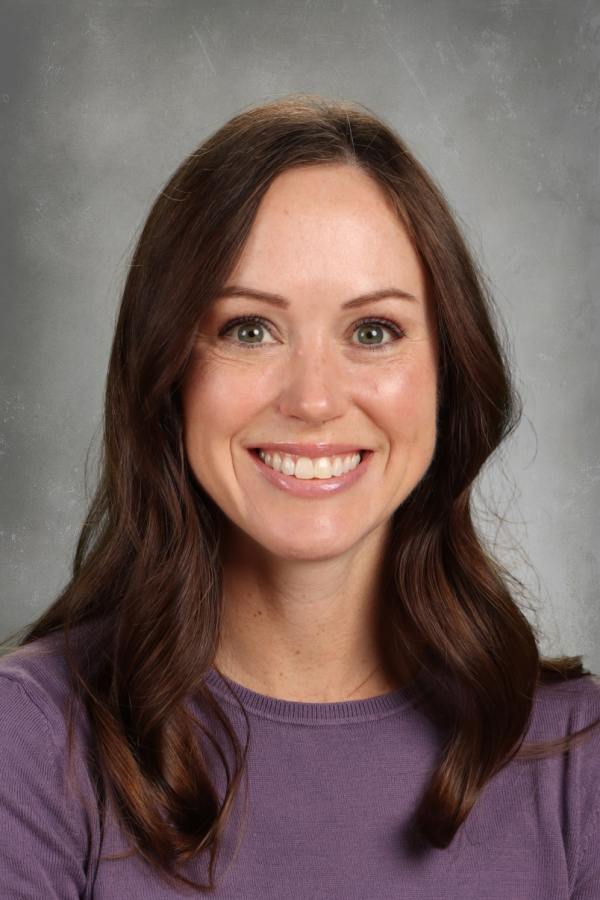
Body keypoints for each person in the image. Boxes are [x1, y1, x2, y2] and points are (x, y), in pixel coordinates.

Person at [1, 95, 599, 899]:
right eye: (249, 329)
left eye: (373, 331)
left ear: (449, 374)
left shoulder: (578, 756)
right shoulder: (31, 741)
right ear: (169, 373)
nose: (314, 400)